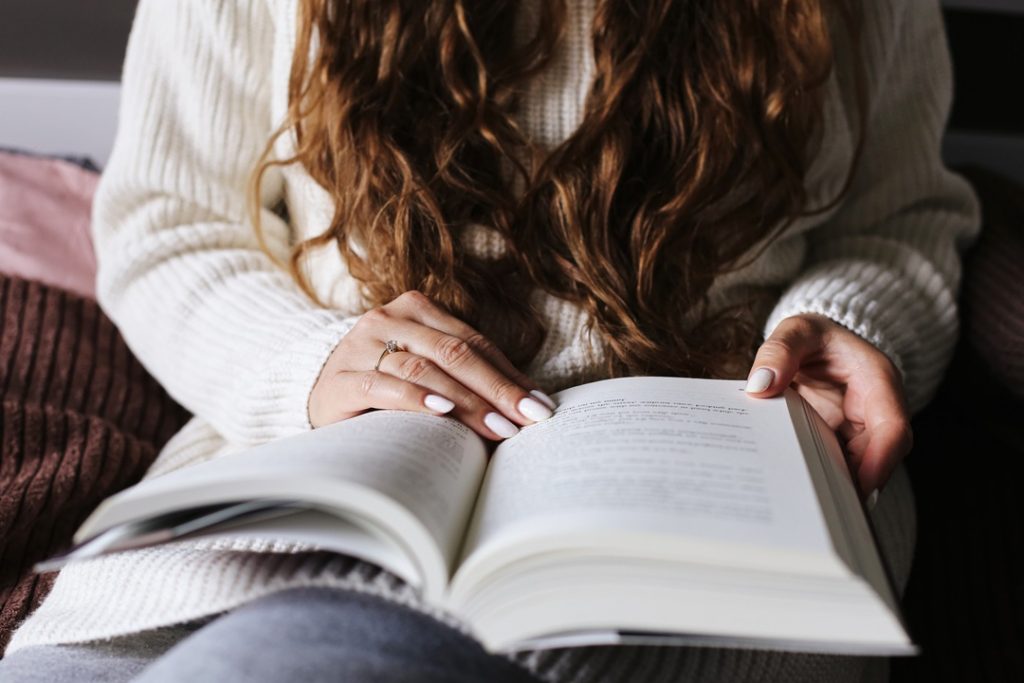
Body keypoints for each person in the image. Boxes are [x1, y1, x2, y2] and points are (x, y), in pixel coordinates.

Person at [0, 0, 978, 681]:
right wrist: (304, 358)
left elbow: (902, 221)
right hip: (282, 516)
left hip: (717, 530)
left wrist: (850, 323)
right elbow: (165, 222)